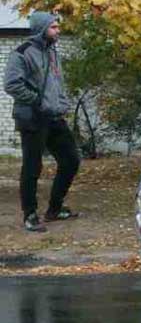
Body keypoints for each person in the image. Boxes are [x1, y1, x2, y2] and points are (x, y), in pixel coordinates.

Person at [4, 12, 81, 233]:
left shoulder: (53, 52)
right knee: (32, 166)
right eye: (54, 27)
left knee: (71, 160)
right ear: (41, 28)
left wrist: (62, 103)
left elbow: (58, 82)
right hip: (32, 117)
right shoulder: (22, 53)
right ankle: (30, 215)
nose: (58, 31)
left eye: (58, 27)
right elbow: (12, 84)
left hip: (55, 116)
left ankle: (55, 209)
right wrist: (37, 101)